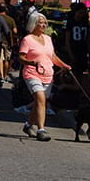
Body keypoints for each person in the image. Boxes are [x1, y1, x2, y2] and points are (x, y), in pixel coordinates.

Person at [19, 13, 71, 142]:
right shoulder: (27, 39)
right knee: (41, 99)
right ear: (33, 24)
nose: (43, 25)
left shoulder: (48, 39)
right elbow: (21, 57)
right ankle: (41, 130)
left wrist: (63, 65)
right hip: (32, 73)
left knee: (39, 102)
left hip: (48, 74)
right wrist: (31, 62)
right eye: (39, 22)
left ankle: (28, 125)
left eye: (44, 23)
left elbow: (52, 56)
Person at [64, 3, 89, 83]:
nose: (81, 15)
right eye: (80, 12)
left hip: (83, 49)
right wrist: (70, 52)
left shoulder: (85, 22)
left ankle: (79, 87)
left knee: (82, 71)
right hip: (74, 48)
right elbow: (67, 39)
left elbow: (87, 37)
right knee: (74, 70)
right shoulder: (71, 22)